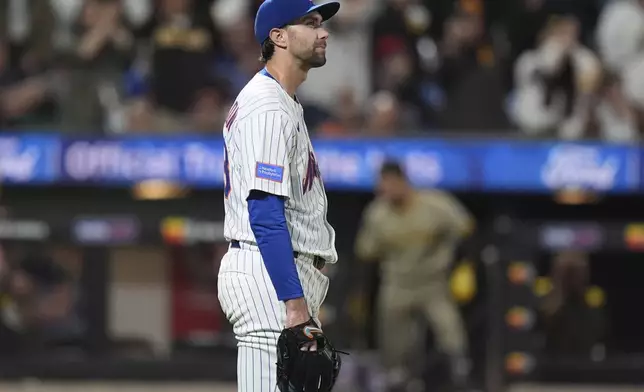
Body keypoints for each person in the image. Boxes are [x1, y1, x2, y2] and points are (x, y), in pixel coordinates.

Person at [217, 0, 342, 391]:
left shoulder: (282, 101)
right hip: (268, 277)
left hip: (277, 275)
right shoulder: (268, 107)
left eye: (321, 23)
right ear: (278, 36)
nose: (323, 32)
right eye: (309, 23)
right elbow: (265, 209)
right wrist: (294, 303)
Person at [355, 161, 474, 391]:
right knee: (395, 342)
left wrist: (463, 266)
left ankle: (460, 378)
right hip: (397, 284)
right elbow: (366, 254)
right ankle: (398, 379)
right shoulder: (378, 213)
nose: (385, 190)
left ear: (402, 180)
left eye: (389, 183)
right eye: (382, 185)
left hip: (433, 283)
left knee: (450, 333)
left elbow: (467, 229)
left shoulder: (434, 204)